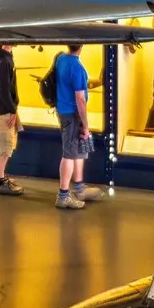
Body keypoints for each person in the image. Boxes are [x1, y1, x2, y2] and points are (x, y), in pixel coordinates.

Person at [51, 43, 102, 210]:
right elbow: (80, 99)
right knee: (69, 154)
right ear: (82, 45)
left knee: (78, 150)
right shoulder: (77, 68)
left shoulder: (61, 59)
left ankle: (79, 189)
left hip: (65, 112)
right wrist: (85, 125)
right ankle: (63, 196)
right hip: (72, 115)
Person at [0, 44, 23, 196]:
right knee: (5, 144)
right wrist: (12, 109)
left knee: (6, 144)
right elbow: (2, 90)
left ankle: (0, 176)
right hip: (4, 109)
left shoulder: (5, 58)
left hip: (5, 107)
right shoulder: (4, 61)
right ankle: (0, 181)